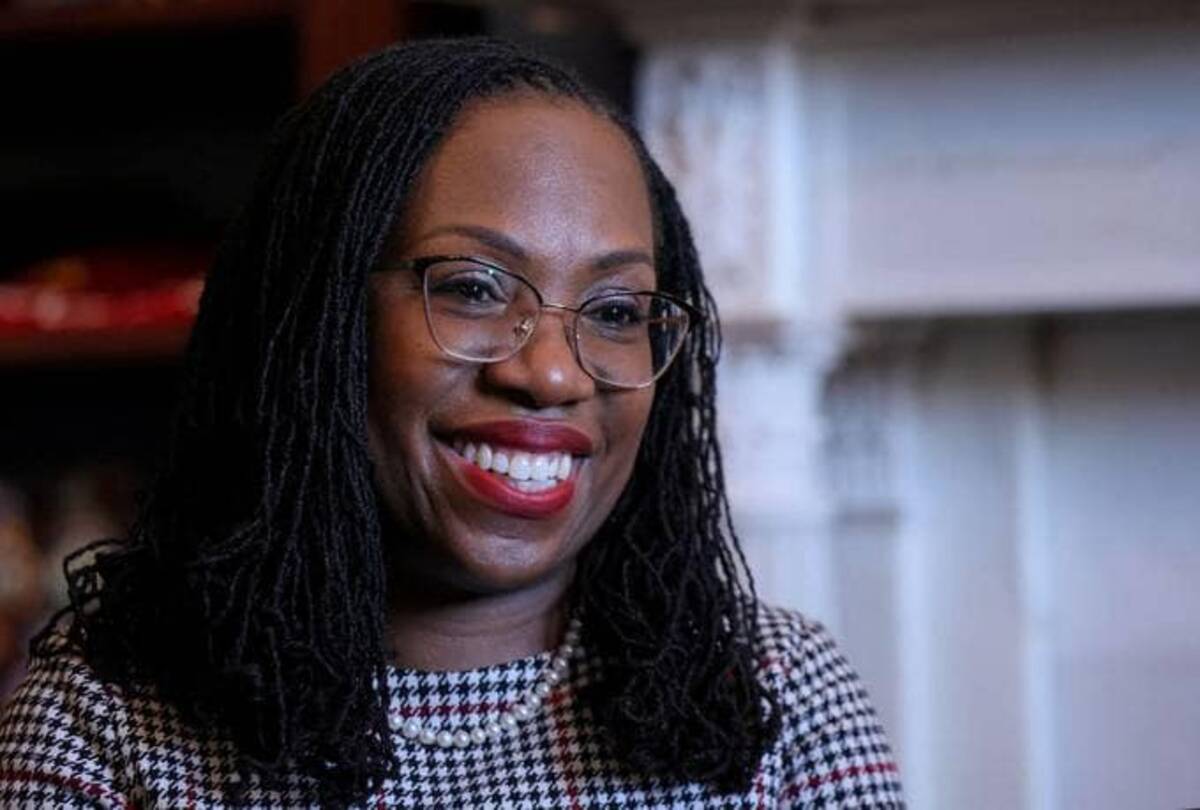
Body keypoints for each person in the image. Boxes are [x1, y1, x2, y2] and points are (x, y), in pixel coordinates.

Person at [0, 38, 903, 808]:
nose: (550, 373)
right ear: (317, 318)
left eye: (617, 311)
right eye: (473, 288)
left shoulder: (778, 698)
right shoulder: (109, 719)